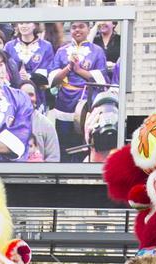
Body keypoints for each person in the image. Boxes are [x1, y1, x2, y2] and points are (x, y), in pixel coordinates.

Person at [49, 21, 108, 162]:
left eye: (81, 26)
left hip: (86, 102)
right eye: (74, 27)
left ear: (88, 29)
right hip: (63, 103)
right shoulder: (61, 51)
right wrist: (69, 68)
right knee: (62, 142)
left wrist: (79, 71)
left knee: (84, 143)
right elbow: (52, 80)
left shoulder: (97, 51)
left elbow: (101, 79)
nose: (77, 30)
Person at [18, 80, 60, 161]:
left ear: (36, 98)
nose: (27, 98)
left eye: (31, 95)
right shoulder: (8, 122)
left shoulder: (46, 124)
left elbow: (53, 158)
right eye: (24, 94)